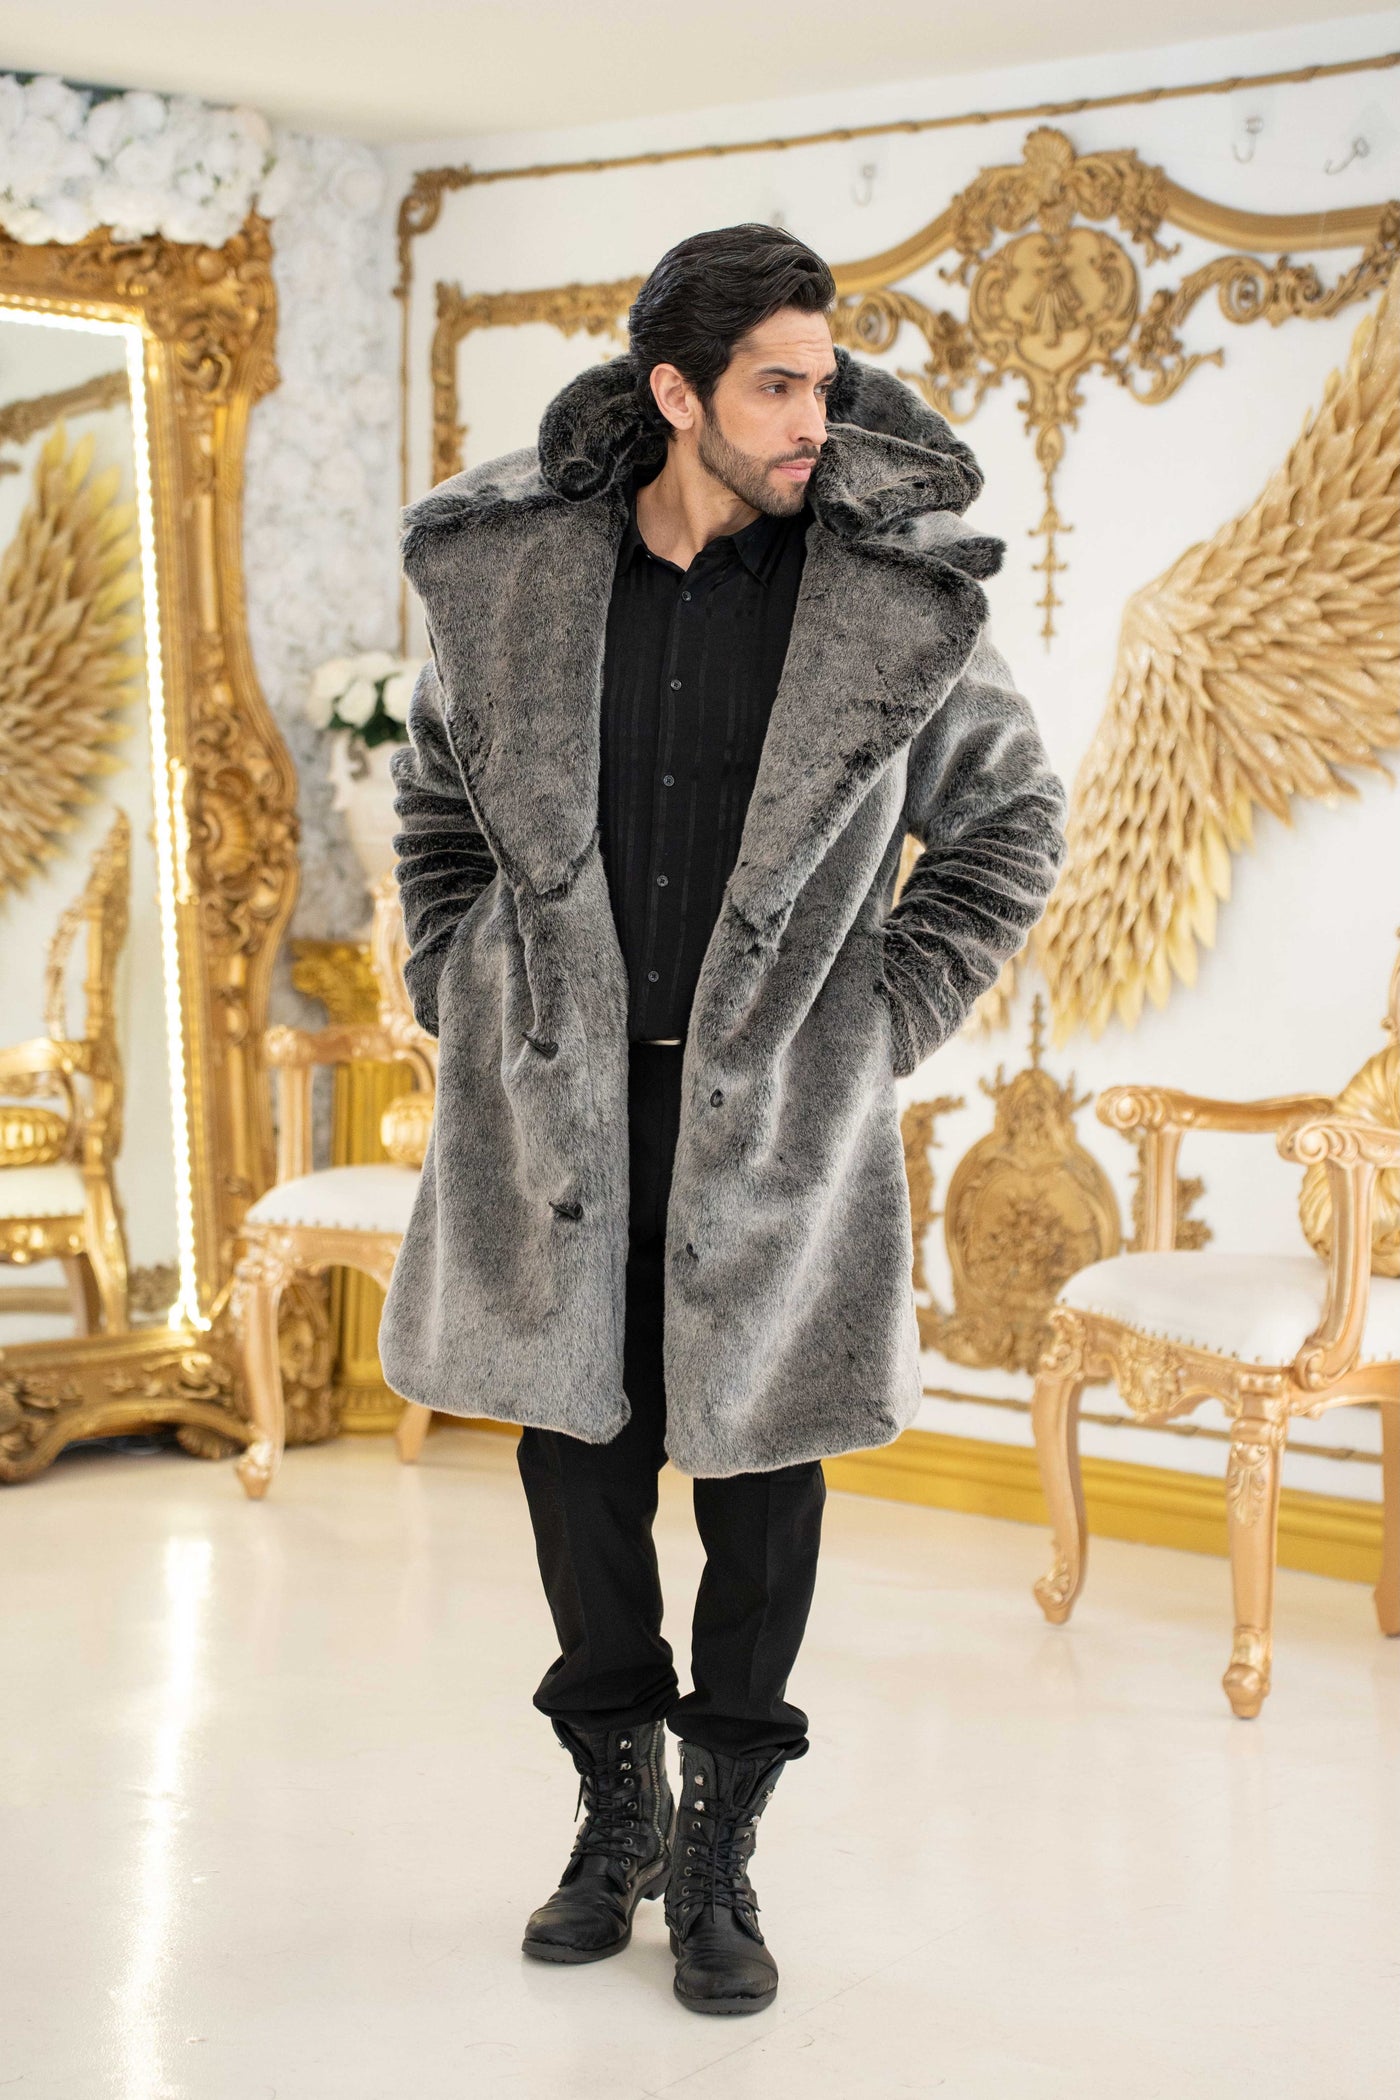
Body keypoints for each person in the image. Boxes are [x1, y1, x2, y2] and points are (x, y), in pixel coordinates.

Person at [382, 223, 1066, 2016]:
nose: (813, 419)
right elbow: (436, 801)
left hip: (774, 1130)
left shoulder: (892, 602)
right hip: (559, 1116)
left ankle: (719, 1852)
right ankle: (615, 1815)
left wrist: (883, 1017)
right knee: (576, 1472)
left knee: (762, 1491)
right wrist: (455, 975)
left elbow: (1012, 826)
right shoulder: (521, 580)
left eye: (824, 382)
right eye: (777, 384)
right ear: (676, 392)